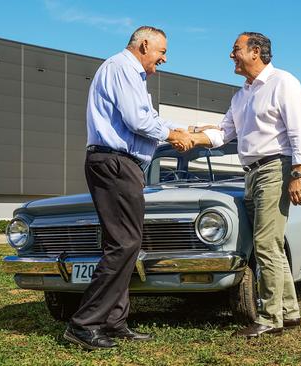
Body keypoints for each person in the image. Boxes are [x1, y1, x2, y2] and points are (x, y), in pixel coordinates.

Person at [64, 26, 193, 350]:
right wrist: (173, 136)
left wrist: (177, 128)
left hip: (118, 165)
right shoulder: (123, 68)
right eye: (162, 52)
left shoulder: (130, 73)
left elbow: (146, 116)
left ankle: (113, 321)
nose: (163, 59)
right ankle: (85, 324)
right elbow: (138, 120)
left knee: (122, 244)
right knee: (124, 244)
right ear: (145, 44)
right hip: (115, 163)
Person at [186, 32, 301, 338]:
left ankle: (270, 318)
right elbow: (224, 133)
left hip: (276, 168)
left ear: (255, 51)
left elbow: (300, 130)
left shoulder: (283, 82)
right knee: (273, 245)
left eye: (236, 50)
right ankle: (289, 312)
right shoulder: (241, 94)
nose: (231, 56)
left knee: (266, 244)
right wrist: (193, 138)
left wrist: (298, 174)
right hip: (252, 173)